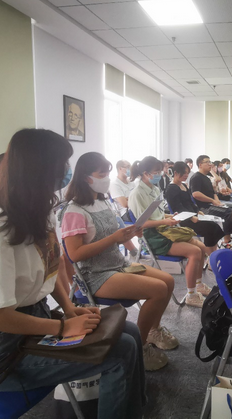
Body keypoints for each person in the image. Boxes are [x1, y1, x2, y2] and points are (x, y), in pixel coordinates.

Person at [0, 129, 145, 418]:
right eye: (62, 163)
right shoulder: (2, 230)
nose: (66, 171)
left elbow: (51, 271)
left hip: (34, 323)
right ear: (40, 168)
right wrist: (62, 328)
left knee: (130, 331)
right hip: (2, 356)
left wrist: (69, 309)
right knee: (120, 352)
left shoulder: (41, 212)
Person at [60, 152, 177, 371]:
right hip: (96, 274)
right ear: (85, 177)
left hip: (118, 264)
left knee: (168, 281)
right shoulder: (74, 211)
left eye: (107, 173)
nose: (106, 178)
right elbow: (74, 254)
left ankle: (153, 330)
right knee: (159, 289)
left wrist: (129, 234)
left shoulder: (102, 202)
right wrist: (115, 238)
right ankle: (141, 345)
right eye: (101, 174)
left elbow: (114, 236)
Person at [129, 156, 211, 308]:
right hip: (152, 236)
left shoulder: (154, 189)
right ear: (146, 173)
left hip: (165, 230)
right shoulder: (137, 193)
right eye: (157, 172)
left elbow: (157, 214)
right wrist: (165, 221)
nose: (160, 174)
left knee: (201, 247)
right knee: (194, 252)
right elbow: (142, 224)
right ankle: (191, 295)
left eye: (160, 171)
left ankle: (198, 285)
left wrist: (169, 217)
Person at [165, 161, 222, 255]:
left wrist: (198, 211)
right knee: (210, 228)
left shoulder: (183, 185)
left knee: (215, 226)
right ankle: (211, 256)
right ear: (176, 173)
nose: (186, 175)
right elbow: (178, 208)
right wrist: (191, 217)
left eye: (187, 173)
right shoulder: (171, 188)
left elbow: (191, 202)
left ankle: (213, 255)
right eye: (184, 173)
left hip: (193, 216)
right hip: (184, 219)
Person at [189, 155, 232, 245]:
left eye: (210, 162)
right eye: (207, 162)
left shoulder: (206, 178)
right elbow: (196, 194)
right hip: (203, 208)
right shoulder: (196, 177)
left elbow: (213, 193)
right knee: (228, 212)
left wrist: (217, 202)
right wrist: (212, 201)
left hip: (211, 205)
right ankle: (226, 240)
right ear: (200, 164)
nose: (210, 164)